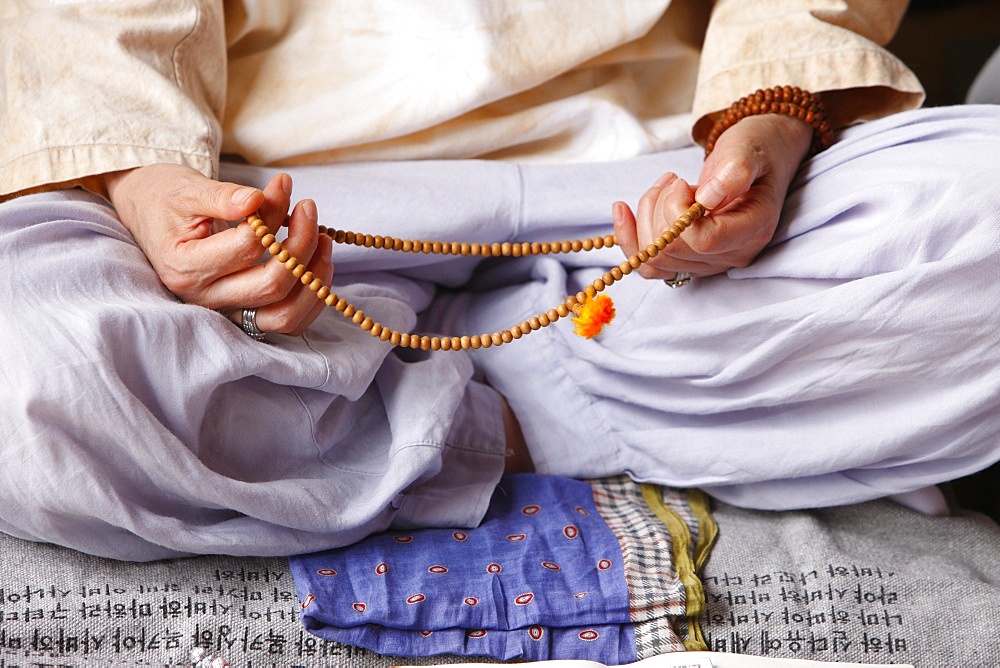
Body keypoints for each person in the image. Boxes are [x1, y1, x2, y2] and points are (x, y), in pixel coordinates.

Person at [1, 0, 997, 560]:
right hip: (257, 187)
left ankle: (388, 416)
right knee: (31, 374)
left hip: (646, 183)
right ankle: (562, 406)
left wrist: (763, 125)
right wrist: (146, 184)